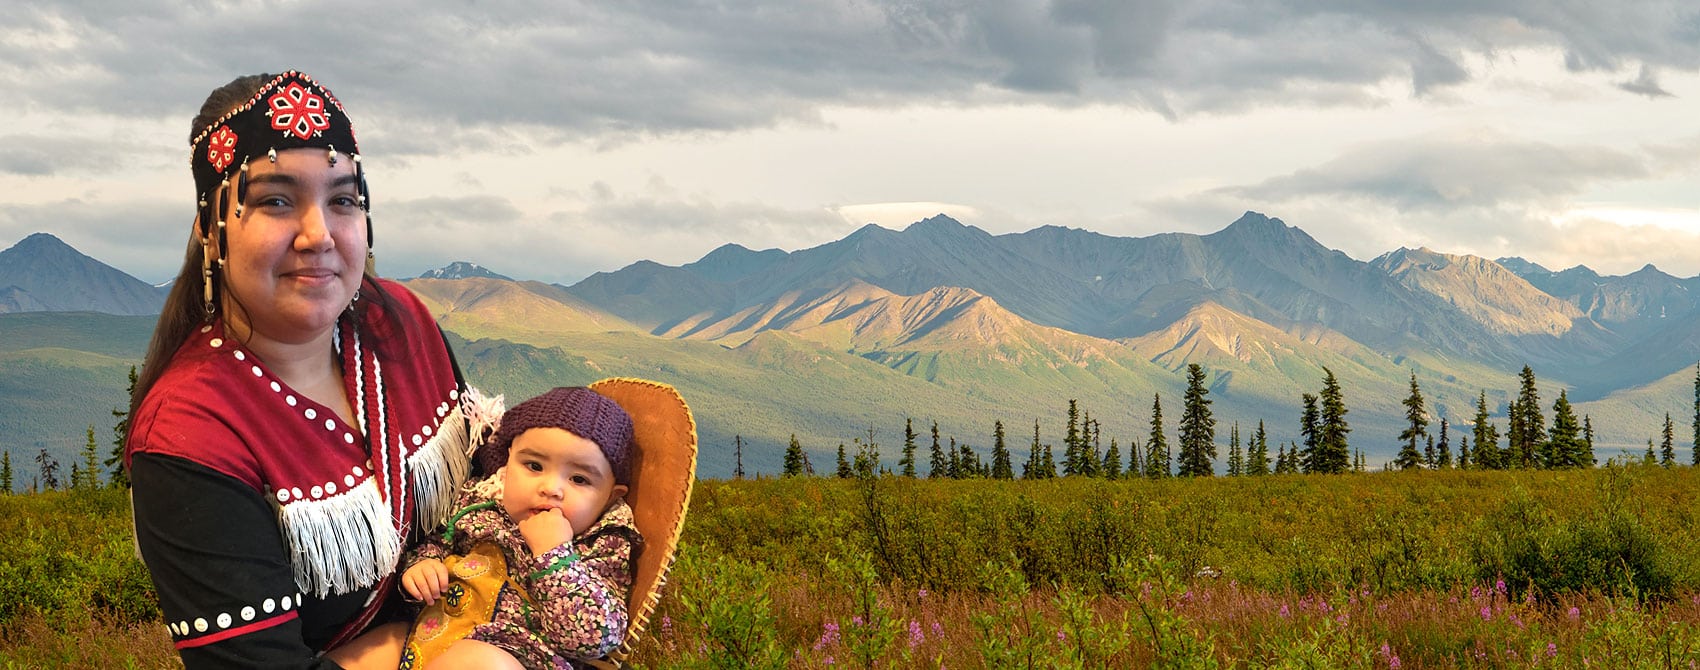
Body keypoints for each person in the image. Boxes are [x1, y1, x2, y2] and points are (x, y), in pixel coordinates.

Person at [126, 71, 482, 668]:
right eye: (275, 200)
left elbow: (485, 489)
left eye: (342, 199)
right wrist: (404, 649)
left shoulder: (403, 324)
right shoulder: (188, 435)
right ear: (209, 233)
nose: (318, 235)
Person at [328, 386, 642, 670]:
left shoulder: (601, 543)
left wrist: (555, 556)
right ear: (508, 463)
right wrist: (423, 566)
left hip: (517, 655)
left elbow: (595, 638)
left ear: (609, 498)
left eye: (579, 480)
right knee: (374, 647)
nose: (551, 488)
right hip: (433, 632)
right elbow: (440, 538)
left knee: (481, 661)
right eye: (533, 466)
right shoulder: (482, 500)